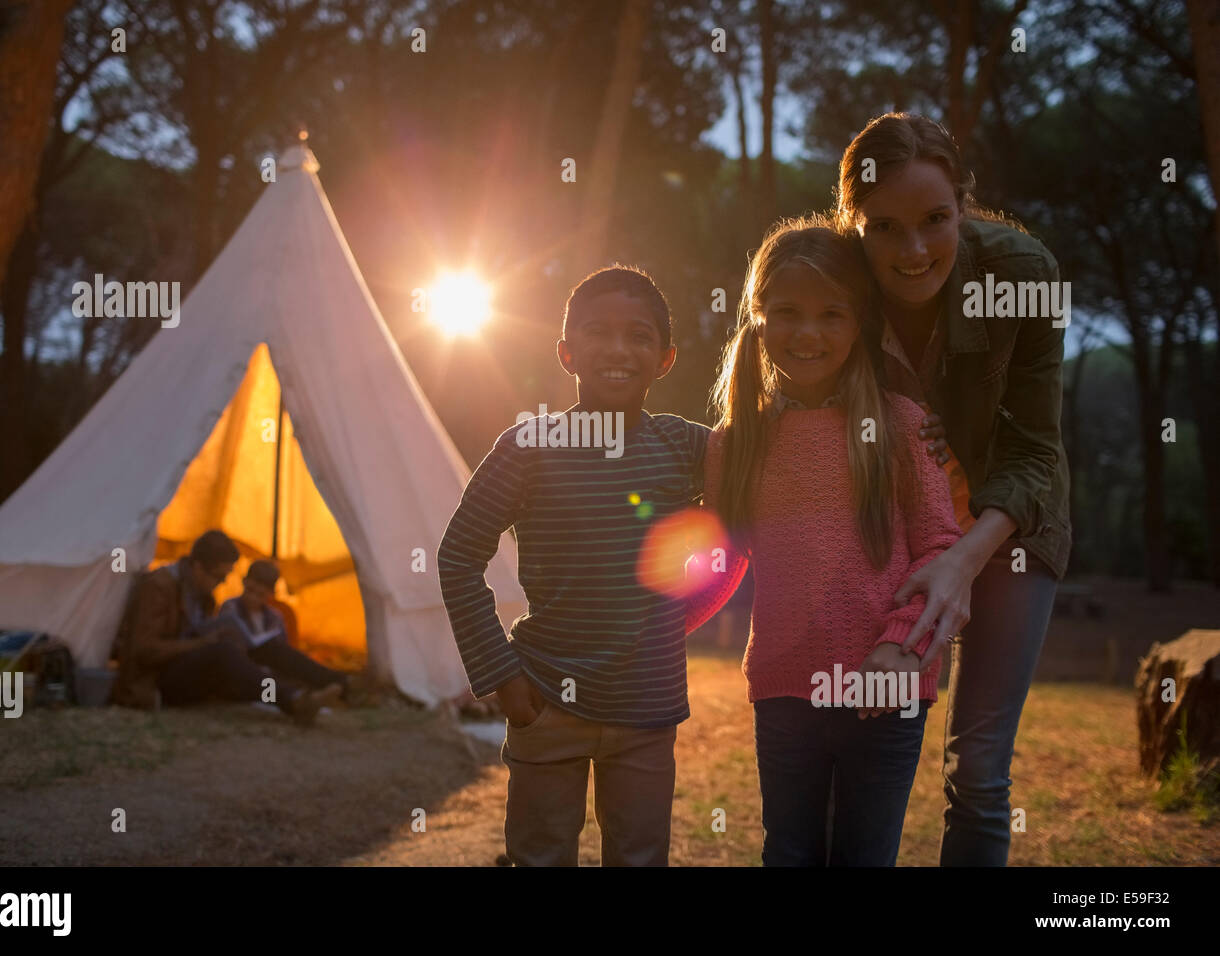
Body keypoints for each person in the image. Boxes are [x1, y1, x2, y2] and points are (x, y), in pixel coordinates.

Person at [835, 112, 1070, 866]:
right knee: (858, 737)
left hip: (1011, 528)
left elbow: (1036, 447)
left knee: (976, 768)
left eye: (935, 220)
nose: (913, 252)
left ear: (964, 206)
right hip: (888, 524)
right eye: (884, 228)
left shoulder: (1023, 274)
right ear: (852, 223)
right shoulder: (828, 275)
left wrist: (965, 559)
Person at [690, 216, 962, 866]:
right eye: (785, 311)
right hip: (785, 690)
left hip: (888, 686)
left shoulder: (900, 424)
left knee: (865, 857)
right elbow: (719, 562)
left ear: (857, 320)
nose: (807, 333)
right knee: (789, 853)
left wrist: (903, 648)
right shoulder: (736, 443)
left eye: (830, 314)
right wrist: (649, 624)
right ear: (756, 317)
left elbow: (942, 552)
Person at [438, 266, 720, 867]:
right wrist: (504, 679)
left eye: (639, 336)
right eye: (598, 332)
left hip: (647, 710)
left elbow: (770, 448)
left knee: (640, 858)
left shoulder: (685, 445)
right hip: (543, 701)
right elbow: (458, 555)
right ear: (567, 352)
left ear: (666, 358)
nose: (618, 349)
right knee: (538, 857)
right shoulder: (526, 447)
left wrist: (921, 426)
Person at [113, 530, 340, 725]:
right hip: (157, 680)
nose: (221, 584)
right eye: (219, 577)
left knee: (266, 647)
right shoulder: (159, 587)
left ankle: (341, 685)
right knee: (222, 652)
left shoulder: (201, 593)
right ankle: (292, 701)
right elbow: (144, 650)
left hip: (190, 666)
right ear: (198, 567)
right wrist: (202, 643)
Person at [218, 559, 353, 701]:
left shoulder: (275, 616)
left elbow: (285, 656)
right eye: (250, 591)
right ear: (244, 582)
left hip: (271, 675)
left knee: (288, 663)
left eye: (260, 595)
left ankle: (342, 686)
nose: (252, 598)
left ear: (270, 594)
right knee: (271, 673)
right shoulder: (230, 607)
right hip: (246, 673)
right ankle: (310, 696)